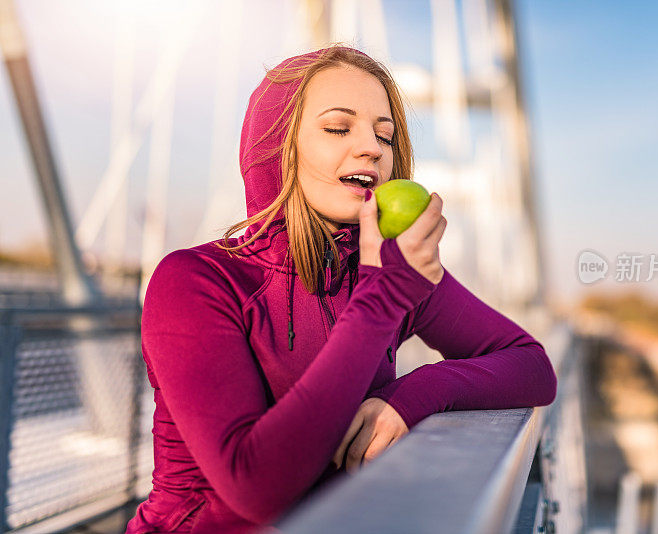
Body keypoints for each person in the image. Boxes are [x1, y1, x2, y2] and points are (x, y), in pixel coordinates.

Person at [125, 45, 557, 534]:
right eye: (337, 127)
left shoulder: (387, 272)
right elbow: (256, 488)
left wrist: (415, 392)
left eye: (384, 134)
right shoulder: (197, 280)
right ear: (275, 147)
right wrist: (383, 299)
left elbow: (532, 366)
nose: (372, 147)